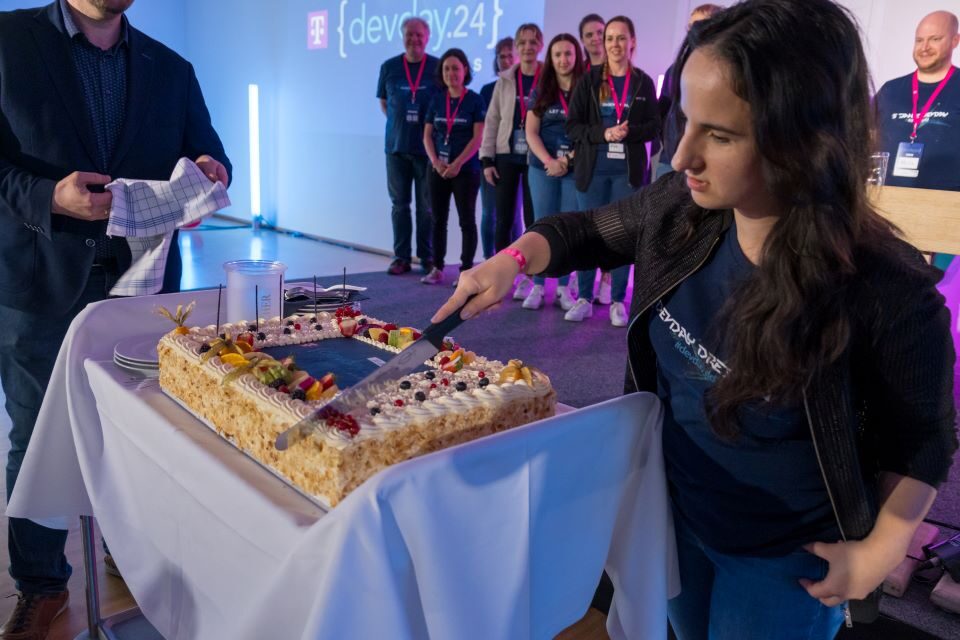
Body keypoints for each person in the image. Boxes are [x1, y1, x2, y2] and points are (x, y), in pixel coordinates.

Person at [434, 1, 957, 638]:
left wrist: (880, 552)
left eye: (721, 135)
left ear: (801, 140)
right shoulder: (681, 211)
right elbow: (588, 231)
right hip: (674, 515)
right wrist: (511, 260)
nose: (682, 156)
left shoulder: (886, 288)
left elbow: (923, 438)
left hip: (786, 560)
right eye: (686, 121)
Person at [0, 1, 231, 638]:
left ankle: (127, 554)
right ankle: (41, 585)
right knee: (35, 434)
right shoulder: (8, 42)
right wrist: (49, 197)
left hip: (142, 291)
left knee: (139, 430)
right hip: (38, 283)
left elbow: (209, 153)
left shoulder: (171, 67)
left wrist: (211, 173)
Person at [565, 16, 660, 327]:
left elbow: (654, 126)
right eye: (609, 38)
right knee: (586, 235)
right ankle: (584, 298)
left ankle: (618, 300)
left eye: (621, 38)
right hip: (592, 171)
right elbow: (573, 126)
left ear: (632, 42)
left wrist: (629, 132)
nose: (615, 44)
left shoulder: (643, 82)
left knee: (622, 235)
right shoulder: (589, 80)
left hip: (626, 174)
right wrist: (603, 134)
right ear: (603, 43)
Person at [874, 10, 959, 270]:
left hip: (947, 218)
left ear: (955, 40)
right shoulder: (891, 90)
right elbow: (864, 139)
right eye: (919, 40)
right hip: (889, 215)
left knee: (940, 290)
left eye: (934, 39)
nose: (924, 47)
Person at [480, 23, 544, 301]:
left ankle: (529, 279)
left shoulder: (548, 77)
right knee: (503, 219)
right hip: (505, 154)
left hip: (535, 155)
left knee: (532, 219)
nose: (528, 47)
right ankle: (500, 275)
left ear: (540, 46)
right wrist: (487, 158)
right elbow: (493, 119)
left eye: (533, 42)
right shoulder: (505, 79)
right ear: (517, 47)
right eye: (523, 42)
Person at [521, 33, 582, 311]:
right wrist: (549, 160)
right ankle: (537, 286)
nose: (563, 59)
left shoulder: (585, 90)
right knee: (541, 226)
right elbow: (531, 132)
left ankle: (562, 287)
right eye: (557, 54)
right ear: (551, 59)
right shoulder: (541, 91)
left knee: (568, 228)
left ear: (576, 56)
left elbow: (589, 133)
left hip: (573, 167)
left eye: (568, 53)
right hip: (542, 168)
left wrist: (566, 161)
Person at [377, 17, 439, 276]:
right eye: (409, 34)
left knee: (427, 208)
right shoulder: (389, 67)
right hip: (396, 148)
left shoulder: (437, 66)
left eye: (419, 35)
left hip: (427, 151)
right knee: (399, 205)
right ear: (403, 37)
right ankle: (401, 257)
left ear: (427, 37)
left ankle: (427, 257)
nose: (414, 39)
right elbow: (384, 103)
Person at [421, 48, 485, 285]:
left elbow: (478, 138)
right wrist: (436, 162)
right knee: (438, 220)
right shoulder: (437, 100)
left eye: (456, 68)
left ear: (465, 70)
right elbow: (427, 136)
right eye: (446, 69)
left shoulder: (475, 100)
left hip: (465, 170)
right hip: (438, 169)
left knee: (466, 221)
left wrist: (457, 163)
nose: (451, 73)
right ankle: (437, 267)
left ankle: (466, 271)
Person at [656, 4, 724, 180]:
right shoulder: (674, 70)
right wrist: (669, 142)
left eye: (700, 25)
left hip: (705, 164)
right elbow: (662, 110)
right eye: (690, 26)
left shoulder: (727, 72)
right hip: (670, 161)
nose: (694, 32)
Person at [479, 37, 520, 261]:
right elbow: (489, 126)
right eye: (501, 56)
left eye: (509, 55)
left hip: (519, 159)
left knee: (515, 216)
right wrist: (487, 159)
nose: (506, 60)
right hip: (493, 159)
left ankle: (516, 262)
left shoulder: (529, 86)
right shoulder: (487, 90)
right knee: (489, 213)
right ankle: (489, 260)